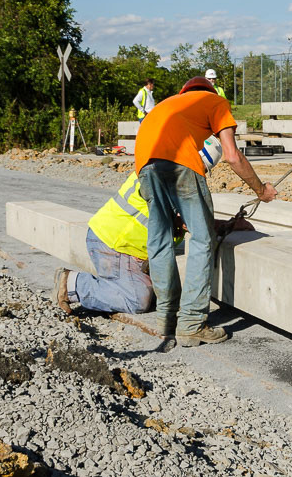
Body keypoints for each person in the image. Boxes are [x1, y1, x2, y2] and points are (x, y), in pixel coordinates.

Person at [136, 76, 277, 346]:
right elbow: (232, 155)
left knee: (159, 242)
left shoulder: (169, 104)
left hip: (144, 165)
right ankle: (191, 323)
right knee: (202, 241)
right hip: (180, 163)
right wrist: (261, 190)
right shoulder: (214, 101)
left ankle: (166, 319)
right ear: (208, 91)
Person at [53, 139, 223, 317]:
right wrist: (221, 226)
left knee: (161, 295)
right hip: (114, 246)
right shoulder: (169, 178)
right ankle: (73, 284)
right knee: (137, 298)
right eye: (201, 170)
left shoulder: (161, 167)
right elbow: (191, 221)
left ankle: (114, 281)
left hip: (115, 243)